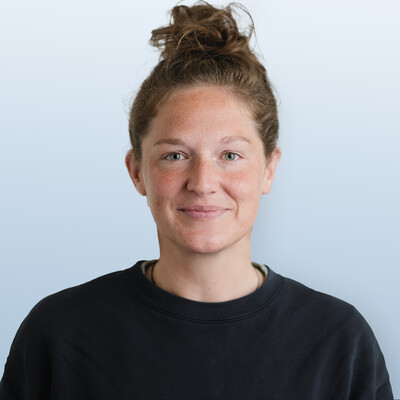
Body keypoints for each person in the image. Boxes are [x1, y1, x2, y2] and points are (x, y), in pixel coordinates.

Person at [0, 1, 394, 399]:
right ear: (137, 171)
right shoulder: (59, 334)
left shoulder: (339, 341)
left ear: (269, 169)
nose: (203, 183)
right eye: (175, 156)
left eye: (230, 155)